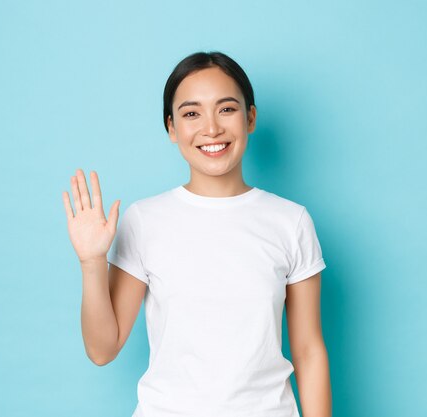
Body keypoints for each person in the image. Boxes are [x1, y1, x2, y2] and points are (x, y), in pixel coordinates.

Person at [62, 51, 332, 417]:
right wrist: (92, 262)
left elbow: (308, 350)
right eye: (191, 113)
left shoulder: (290, 221)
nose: (211, 128)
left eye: (227, 109)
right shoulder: (144, 220)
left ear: (250, 118)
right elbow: (102, 349)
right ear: (172, 128)